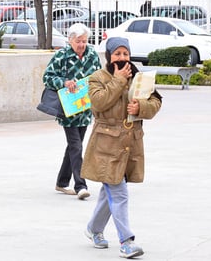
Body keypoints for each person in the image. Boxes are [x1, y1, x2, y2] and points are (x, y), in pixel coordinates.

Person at [81, 37, 162, 258]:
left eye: (125, 54)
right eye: (117, 54)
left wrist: (141, 107)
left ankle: (93, 229)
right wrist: (117, 81)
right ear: (109, 56)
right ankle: (127, 242)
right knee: (119, 192)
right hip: (106, 144)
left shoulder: (139, 76)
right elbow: (98, 103)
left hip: (130, 143)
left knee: (111, 191)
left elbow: (156, 102)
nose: (122, 58)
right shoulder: (97, 78)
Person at [42, 23, 101, 200]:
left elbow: (99, 77)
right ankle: (80, 185)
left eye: (84, 41)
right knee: (76, 146)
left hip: (85, 109)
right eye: (78, 41)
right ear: (70, 41)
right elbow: (47, 77)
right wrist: (64, 82)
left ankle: (62, 181)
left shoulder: (92, 55)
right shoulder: (61, 55)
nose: (82, 45)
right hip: (68, 110)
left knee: (74, 146)